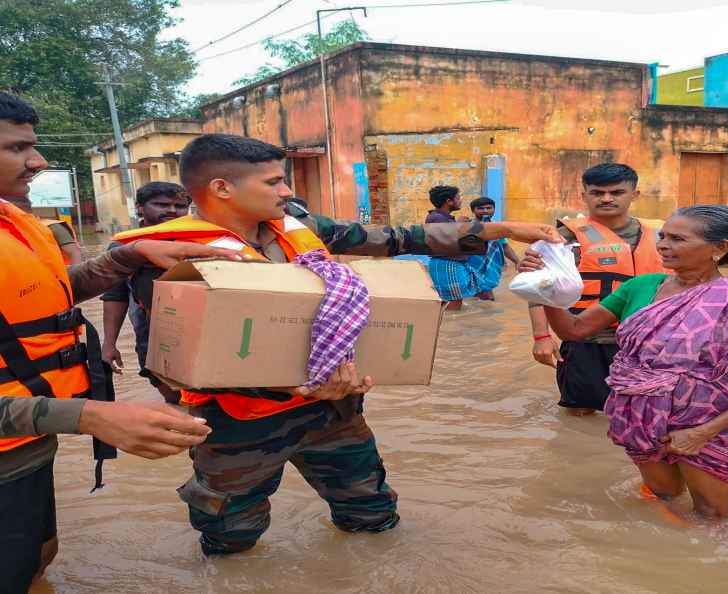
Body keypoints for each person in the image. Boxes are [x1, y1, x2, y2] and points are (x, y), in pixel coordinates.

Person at [113, 133, 562, 557]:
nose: (286, 190)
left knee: (371, 515)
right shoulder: (170, 254)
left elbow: (395, 239)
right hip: (237, 423)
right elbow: (166, 362)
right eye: (273, 181)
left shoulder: (298, 227)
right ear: (222, 188)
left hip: (334, 410)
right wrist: (291, 388)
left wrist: (498, 229)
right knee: (231, 538)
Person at [0, 93, 243, 593]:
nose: (38, 161)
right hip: (19, 439)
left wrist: (129, 257)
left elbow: (50, 296)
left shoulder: (18, 222)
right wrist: (87, 415)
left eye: (34, 146)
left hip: (26, 442)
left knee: (33, 562)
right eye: (17, 148)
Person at [534, 205, 728, 518]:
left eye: (677, 239)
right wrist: (546, 283)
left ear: (719, 248)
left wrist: (704, 432)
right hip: (640, 415)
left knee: (713, 514)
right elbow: (573, 330)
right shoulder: (641, 287)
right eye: (663, 237)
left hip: (706, 421)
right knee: (662, 499)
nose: (662, 245)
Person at [528, 163, 666, 416]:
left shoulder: (662, 237)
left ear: (634, 195)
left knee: (642, 414)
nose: (606, 198)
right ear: (584, 196)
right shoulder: (562, 239)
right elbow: (539, 288)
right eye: (597, 193)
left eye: (616, 192)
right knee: (580, 415)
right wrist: (541, 337)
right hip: (587, 340)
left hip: (648, 342)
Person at [101, 182, 192, 403]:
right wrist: (109, 343)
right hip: (150, 337)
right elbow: (116, 295)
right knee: (171, 396)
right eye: (161, 204)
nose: (171, 211)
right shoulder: (123, 246)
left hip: (198, 335)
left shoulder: (201, 239)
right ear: (139, 207)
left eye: (180, 206)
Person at [425, 185, 482, 310]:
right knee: (453, 306)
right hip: (448, 264)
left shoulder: (441, 218)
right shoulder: (437, 218)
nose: (460, 200)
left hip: (451, 263)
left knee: (453, 303)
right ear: (449, 201)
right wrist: (459, 224)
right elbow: (447, 238)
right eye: (458, 197)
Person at [467, 196, 519, 300]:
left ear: (494, 209)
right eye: (481, 208)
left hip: (491, 266)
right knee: (481, 295)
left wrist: (517, 261)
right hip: (472, 266)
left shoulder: (497, 228)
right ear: (473, 210)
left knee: (485, 295)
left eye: (489, 208)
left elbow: (504, 246)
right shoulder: (467, 227)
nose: (485, 211)